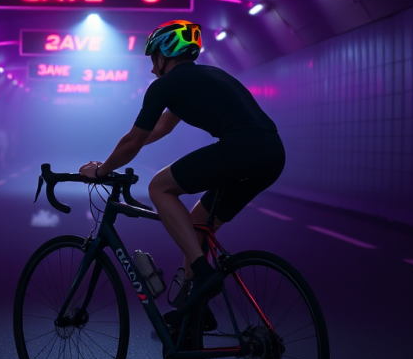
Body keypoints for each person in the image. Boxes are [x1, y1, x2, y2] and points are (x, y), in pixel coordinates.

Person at [79, 20, 285, 327]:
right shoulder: (211, 75)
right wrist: (116, 155)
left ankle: (203, 275)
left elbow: (133, 141)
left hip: (241, 148)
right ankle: (196, 308)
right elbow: (161, 127)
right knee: (198, 222)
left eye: (153, 60)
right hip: (273, 153)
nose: (152, 69)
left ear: (163, 55)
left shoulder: (164, 86)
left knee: (159, 187)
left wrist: (101, 170)